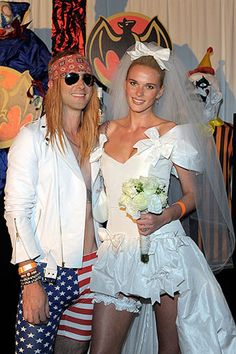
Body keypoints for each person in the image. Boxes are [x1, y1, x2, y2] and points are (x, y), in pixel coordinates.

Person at [88, 41, 236, 354]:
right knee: (102, 350)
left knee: (170, 348)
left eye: (149, 86)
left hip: (164, 251)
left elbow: (193, 195)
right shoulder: (104, 131)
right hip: (117, 252)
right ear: (124, 84)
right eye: (133, 83)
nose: (139, 93)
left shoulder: (173, 133)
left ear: (161, 91)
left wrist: (165, 216)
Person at [4, 50, 102, 354]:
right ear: (56, 84)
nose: (80, 84)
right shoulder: (32, 137)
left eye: (87, 79)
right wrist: (30, 280)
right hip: (47, 273)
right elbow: (17, 211)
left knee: (74, 350)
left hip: (92, 268)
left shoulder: (98, 140)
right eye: (71, 77)